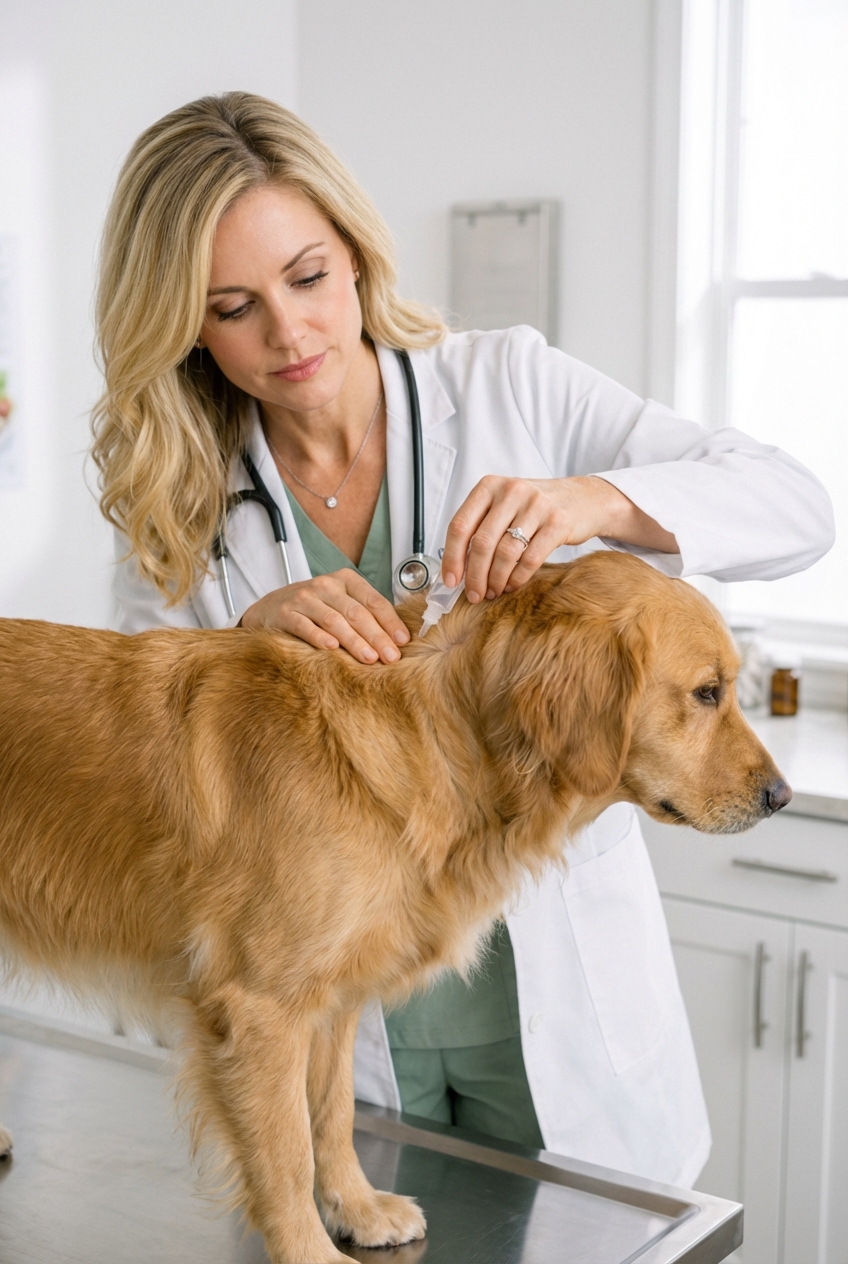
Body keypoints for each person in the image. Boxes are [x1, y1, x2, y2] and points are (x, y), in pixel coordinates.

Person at [93, 92, 834, 1190]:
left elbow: (797, 505)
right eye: (233, 306)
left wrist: (595, 499)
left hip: (551, 998)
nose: (289, 333)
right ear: (184, 323)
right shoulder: (179, 491)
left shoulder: (504, 384)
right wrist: (239, 640)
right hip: (342, 1031)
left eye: (306, 277)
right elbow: (142, 763)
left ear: (353, 251)